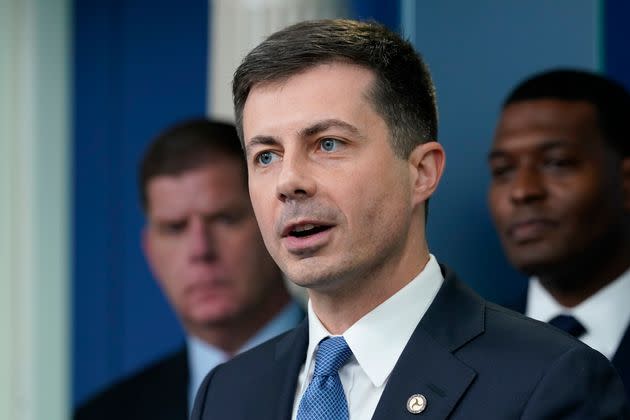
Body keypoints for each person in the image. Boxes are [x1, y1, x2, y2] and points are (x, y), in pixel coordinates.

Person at [191, 20, 629, 420]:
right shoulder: (226, 394)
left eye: (327, 144)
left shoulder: (551, 379)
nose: (288, 182)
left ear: (421, 172)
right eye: (266, 155)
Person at [75, 119, 304, 420]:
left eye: (225, 219)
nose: (200, 250)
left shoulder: (357, 373)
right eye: (175, 228)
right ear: (150, 252)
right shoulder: (105, 414)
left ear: (276, 225)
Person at [488, 69, 630, 399]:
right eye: (502, 171)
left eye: (557, 163)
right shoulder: (453, 349)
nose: (522, 191)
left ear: (625, 182)